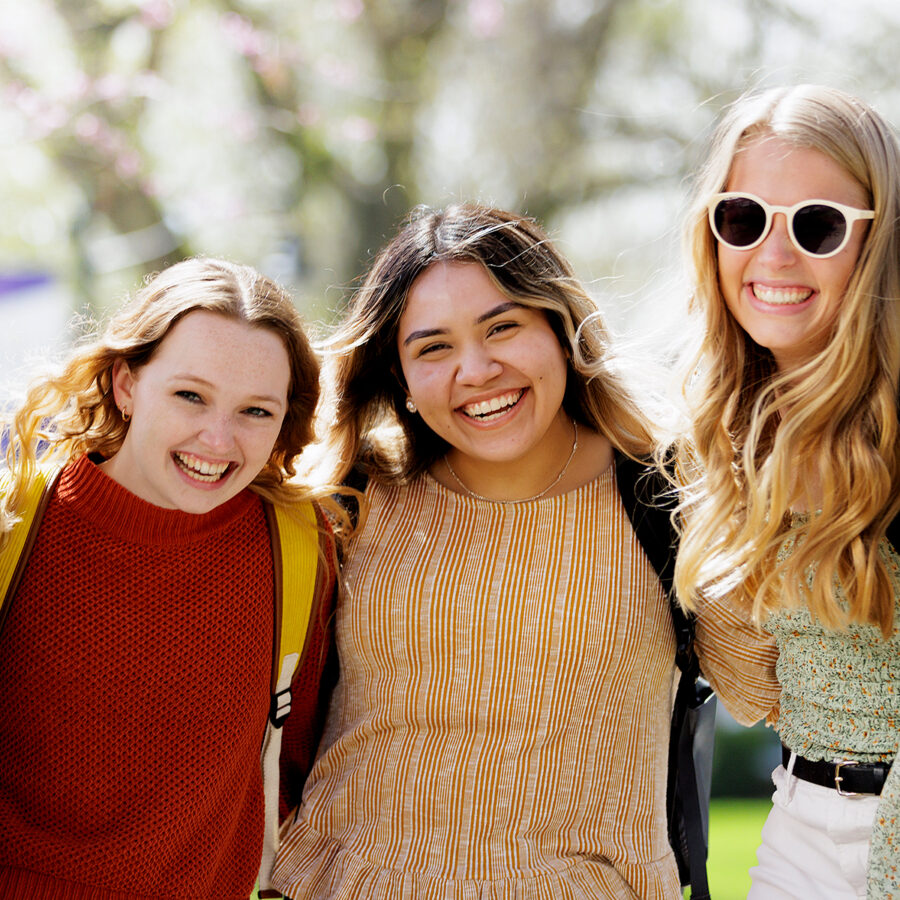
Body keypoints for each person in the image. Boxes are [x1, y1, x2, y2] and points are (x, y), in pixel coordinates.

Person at [271, 203, 779, 899]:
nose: (476, 370)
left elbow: (756, 691)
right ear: (403, 379)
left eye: (502, 327)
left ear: (560, 330)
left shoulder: (667, 491)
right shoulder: (355, 496)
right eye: (433, 347)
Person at [0, 257, 339, 899]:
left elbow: (299, 773)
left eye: (255, 412)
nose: (217, 439)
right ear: (128, 384)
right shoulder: (14, 524)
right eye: (190, 395)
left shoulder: (298, 545)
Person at [672, 84, 900, 900]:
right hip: (801, 816)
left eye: (817, 225)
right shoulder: (728, 434)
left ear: (881, 243)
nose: (773, 255)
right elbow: (755, 685)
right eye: (743, 218)